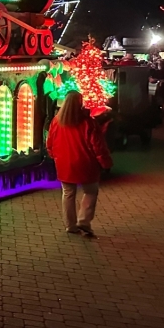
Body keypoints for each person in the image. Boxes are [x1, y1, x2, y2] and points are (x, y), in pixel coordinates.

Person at [46, 90, 113, 237]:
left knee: (68, 194)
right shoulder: (88, 122)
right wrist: (105, 162)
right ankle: (84, 221)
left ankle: (70, 225)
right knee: (90, 191)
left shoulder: (57, 121)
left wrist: (55, 156)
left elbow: (49, 142)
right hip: (86, 163)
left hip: (64, 163)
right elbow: (98, 146)